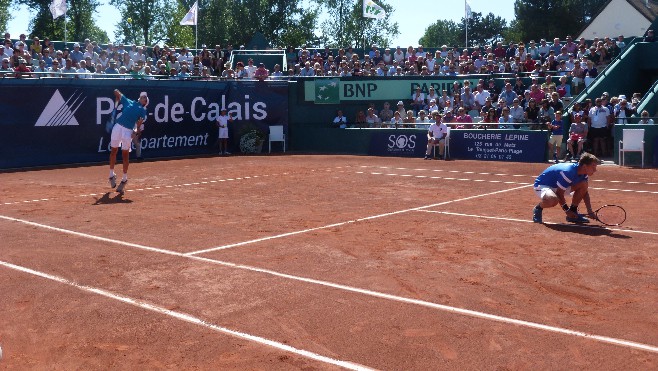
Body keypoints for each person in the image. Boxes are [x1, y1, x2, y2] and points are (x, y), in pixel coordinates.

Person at [532, 152, 599, 224]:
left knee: (584, 184)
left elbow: (584, 192)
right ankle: (538, 208)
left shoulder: (584, 174)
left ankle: (573, 211)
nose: (595, 170)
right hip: (543, 185)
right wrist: (567, 210)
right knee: (553, 200)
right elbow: (559, 193)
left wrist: (589, 211)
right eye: (593, 166)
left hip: (559, 186)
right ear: (585, 166)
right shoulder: (569, 172)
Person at [108, 90, 148, 194]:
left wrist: (136, 131)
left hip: (127, 131)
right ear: (139, 97)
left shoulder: (142, 110)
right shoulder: (128, 102)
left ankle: (124, 179)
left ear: (145, 102)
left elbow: (139, 124)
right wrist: (118, 96)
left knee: (125, 155)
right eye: (143, 96)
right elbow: (116, 91)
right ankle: (111, 175)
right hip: (117, 127)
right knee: (113, 151)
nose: (144, 98)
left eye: (145, 98)